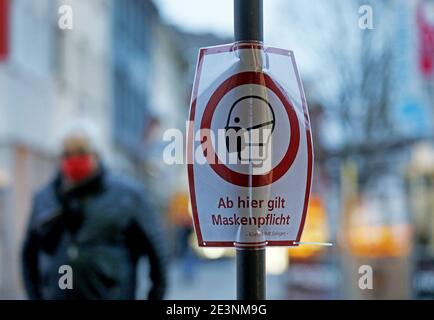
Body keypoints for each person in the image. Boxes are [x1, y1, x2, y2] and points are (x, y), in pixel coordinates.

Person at [21, 121, 167, 300]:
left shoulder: (128, 195)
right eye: (67, 153)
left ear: (96, 154)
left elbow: (156, 254)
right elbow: (28, 255)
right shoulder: (45, 197)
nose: (74, 159)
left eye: (81, 152)